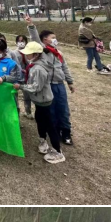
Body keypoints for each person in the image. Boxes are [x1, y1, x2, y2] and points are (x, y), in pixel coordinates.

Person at [26, 17, 74, 146]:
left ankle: (66, 131)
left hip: (59, 85)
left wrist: (69, 82)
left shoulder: (58, 53)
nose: (55, 39)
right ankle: (54, 131)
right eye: (52, 37)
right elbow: (35, 38)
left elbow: (64, 67)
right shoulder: (43, 51)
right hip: (48, 86)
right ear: (45, 40)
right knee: (51, 110)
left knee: (63, 109)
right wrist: (31, 25)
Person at [20, 41, 65, 164]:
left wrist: (21, 87)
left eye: (28, 54)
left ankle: (57, 151)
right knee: (39, 120)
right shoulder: (35, 65)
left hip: (43, 100)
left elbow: (36, 87)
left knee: (49, 125)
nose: (26, 56)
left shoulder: (38, 68)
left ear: (35, 54)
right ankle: (42, 141)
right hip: (39, 101)